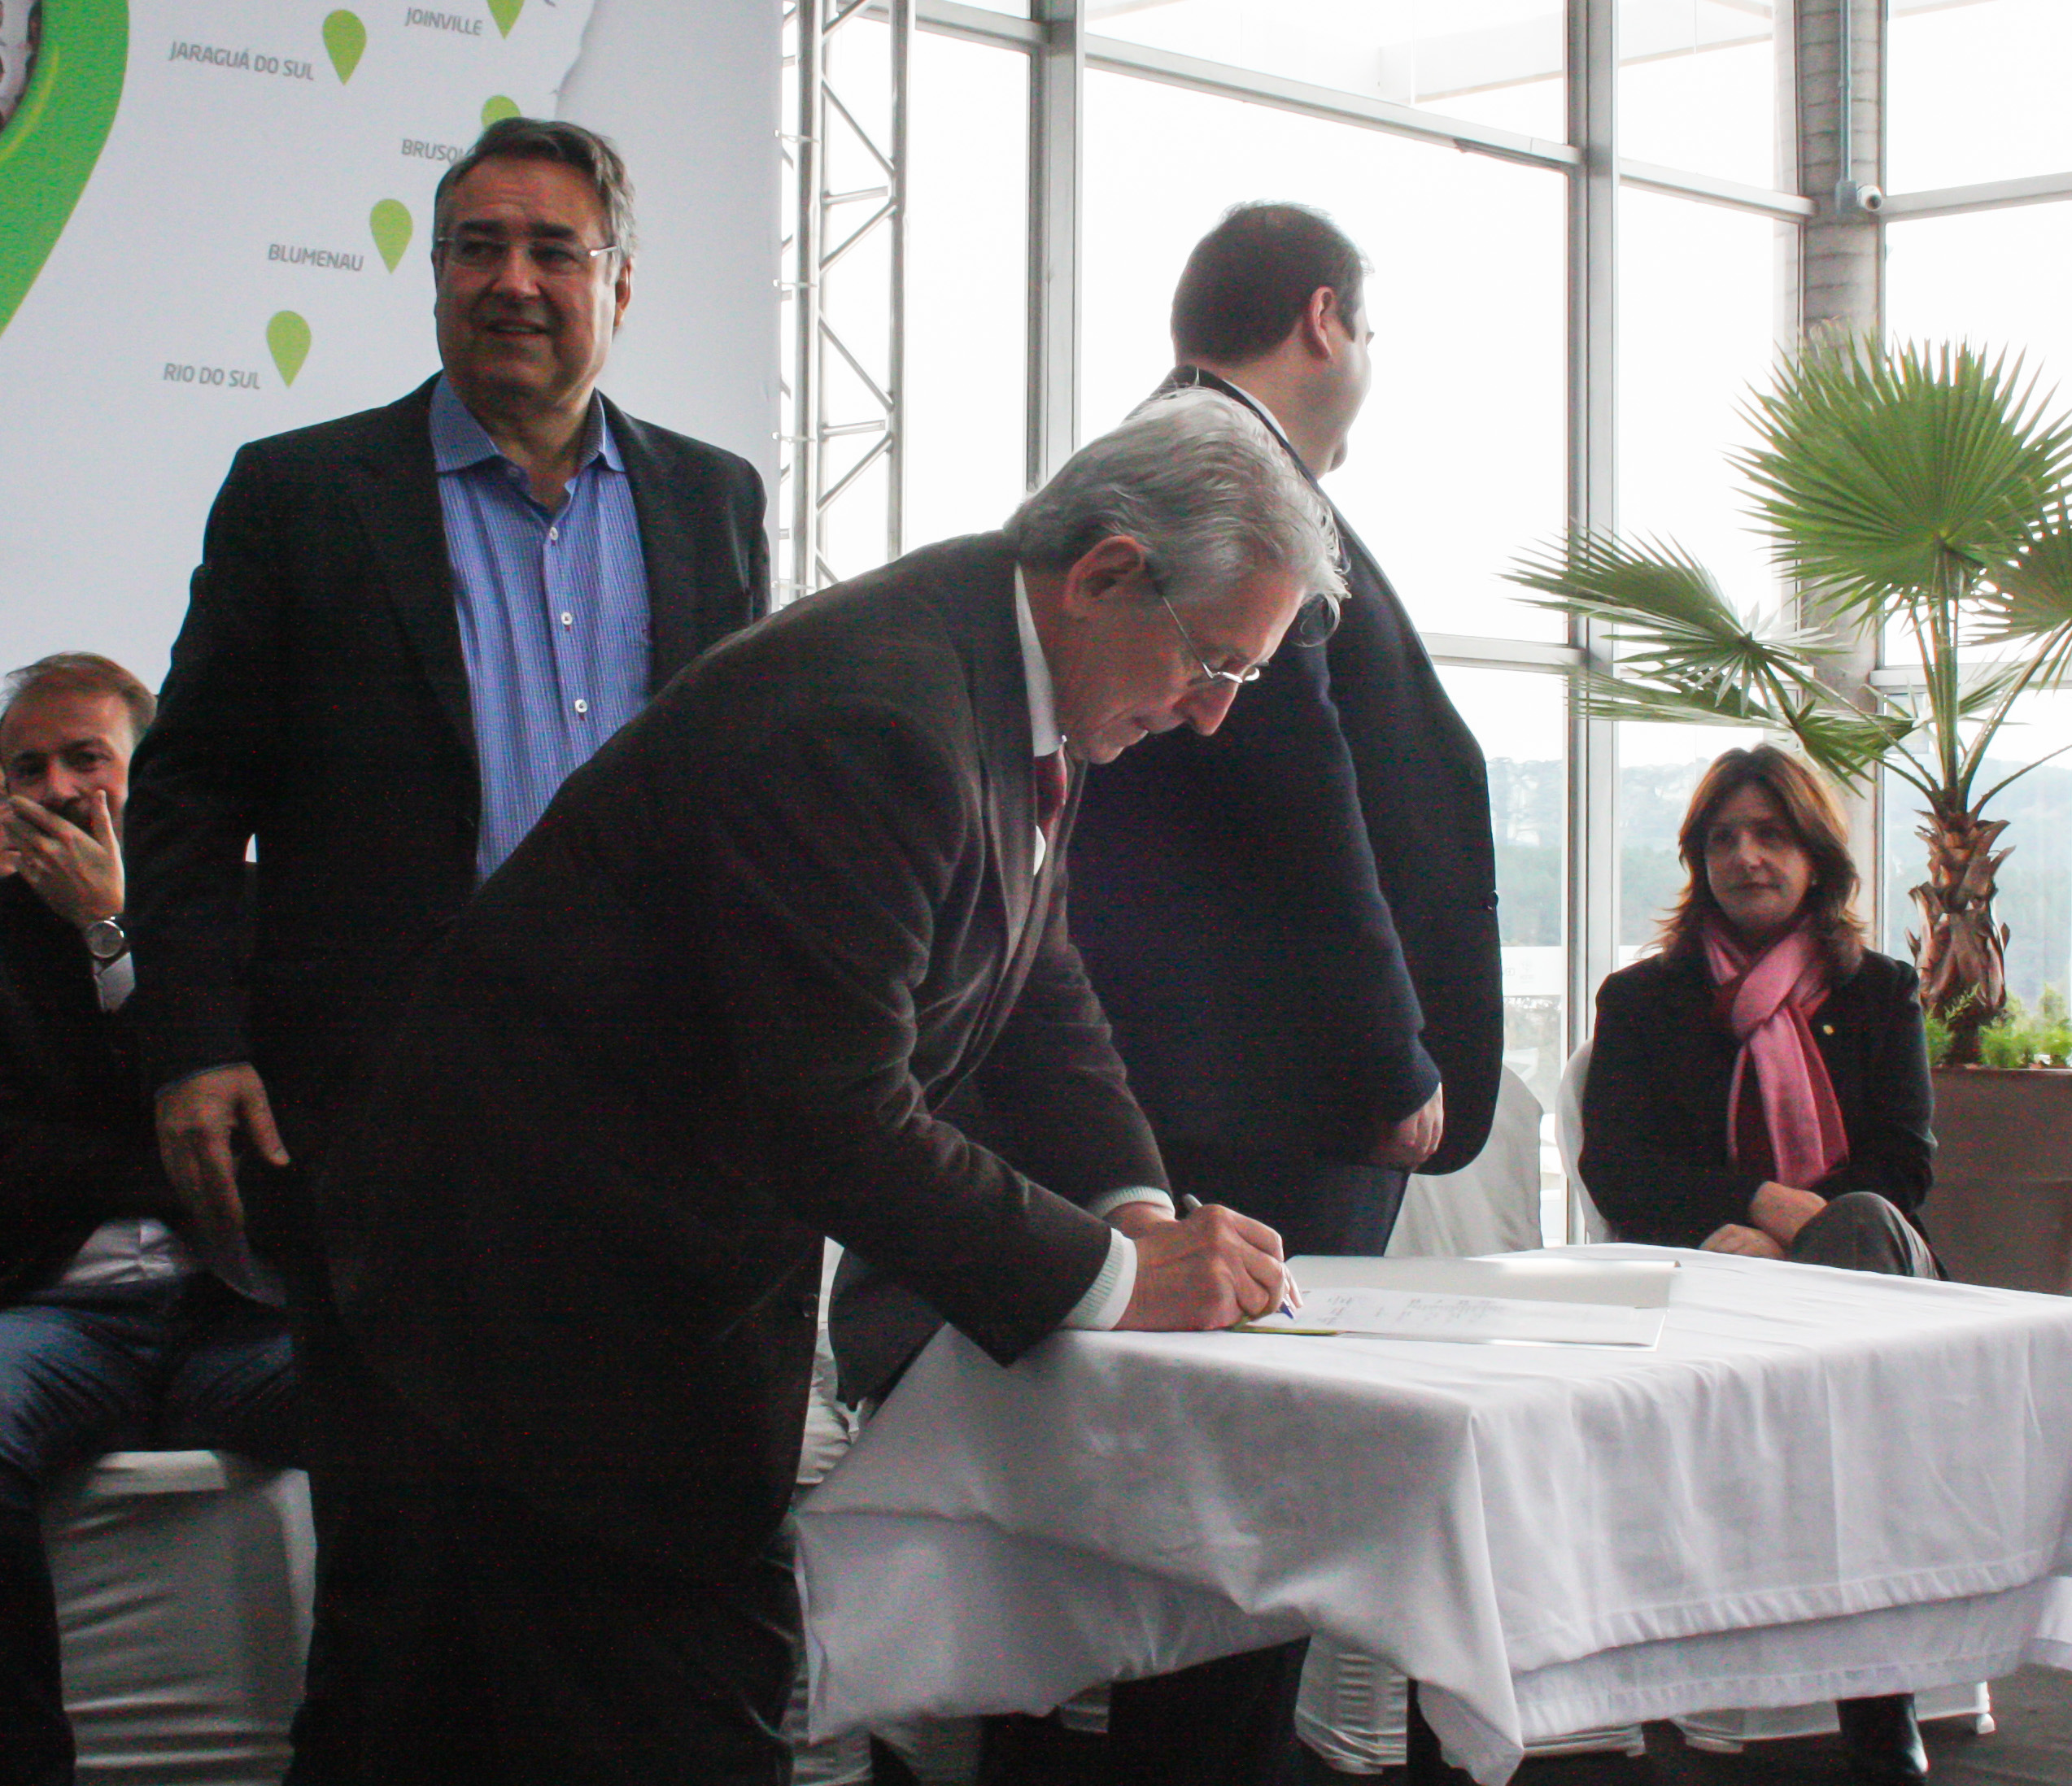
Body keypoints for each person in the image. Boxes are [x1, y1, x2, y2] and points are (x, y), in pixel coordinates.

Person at [293, 390, 1329, 1785]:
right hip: (529, 1316)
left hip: (587, 1299)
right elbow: (836, 1120)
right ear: (1103, 573)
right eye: (1213, 662)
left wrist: (1133, 1206)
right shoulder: (878, 714)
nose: (1210, 716)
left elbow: (1036, 985)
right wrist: (1112, 1280)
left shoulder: (1015, 670)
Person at [122, 115, 768, 1300]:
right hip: (385, 1112)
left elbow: (745, 802)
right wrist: (197, 1045)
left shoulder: (712, 501)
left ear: (620, 288)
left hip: (652, 1105)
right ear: (436, 276)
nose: (511, 281)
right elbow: (187, 799)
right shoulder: (301, 495)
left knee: (634, 1416)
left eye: (553, 251)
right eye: (477, 247)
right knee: (399, 1426)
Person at [1068, 202, 1503, 1265]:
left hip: (1209, 1077)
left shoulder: (1175, 459)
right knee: (1283, 1363)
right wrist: (1387, 1057)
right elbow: (1296, 802)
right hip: (1268, 1089)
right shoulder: (1228, 481)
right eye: (1368, 332)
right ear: (1322, 320)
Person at [1576, 743, 1937, 1784]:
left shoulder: (1879, 994)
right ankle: (1876, 1702)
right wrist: (1747, 1209)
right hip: (1702, 1278)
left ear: (1814, 856)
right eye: (1723, 838)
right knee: (1861, 1421)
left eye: (1769, 835)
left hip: (1857, 1270)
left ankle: (1878, 1696)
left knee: (1860, 1225)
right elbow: (1620, 1170)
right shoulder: (1643, 1000)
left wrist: (1783, 1231)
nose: (1745, 857)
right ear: (1698, 860)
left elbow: (1904, 1168)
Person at [0, 654, 296, 1786]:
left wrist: (113, 934)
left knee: (408, 1403)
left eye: (87, 759)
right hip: (57, 1317)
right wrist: (155, 1153)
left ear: (148, 776)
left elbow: (264, 1145)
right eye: (27, 769)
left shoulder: (254, 921)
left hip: (238, 1311)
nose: (58, 789)